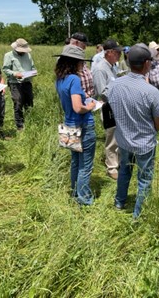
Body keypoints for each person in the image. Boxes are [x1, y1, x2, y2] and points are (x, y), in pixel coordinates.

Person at [108, 43, 159, 219]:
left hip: (124, 140)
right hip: (144, 144)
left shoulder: (114, 85)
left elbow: (108, 109)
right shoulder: (151, 91)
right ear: (147, 63)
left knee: (124, 170)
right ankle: (138, 215)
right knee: (144, 179)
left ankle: (119, 202)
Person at [54, 44, 97, 206]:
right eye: (81, 62)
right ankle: (84, 199)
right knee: (85, 166)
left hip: (68, 124)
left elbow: (70, 99)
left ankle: (74, 192)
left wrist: (81, 96)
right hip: (83, 125)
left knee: (75, 161)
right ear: (74, 62)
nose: (83, 65)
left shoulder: (60, 79)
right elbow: (78, 107)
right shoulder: (74, 79)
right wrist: (91, 106)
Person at [92, 39, 124, 180]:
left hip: (118, 105)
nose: (120, 55)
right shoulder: (100, 69)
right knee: (111, 138)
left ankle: (120, 162)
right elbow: (101, 91)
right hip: (108, 107)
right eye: (117, 52)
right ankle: (112, 167)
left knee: (120, 136)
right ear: (109, 52)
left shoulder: (112, 66)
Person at [3, 38, 36, 131]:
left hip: (27, 82)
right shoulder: (9, 55)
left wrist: (33, 72)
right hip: (15, 83)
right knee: (18, 102)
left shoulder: (28, 55)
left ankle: (29, 121)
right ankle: (20, 125)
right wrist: (15, 74)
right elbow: (5, 69)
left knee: (29, 102)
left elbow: (33, 67)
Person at [69, 32, 94, 98]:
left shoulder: (80, 57)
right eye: (84, 45)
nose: (85, 48)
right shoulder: (68, 60)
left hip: (88, 100)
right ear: (76, 43)